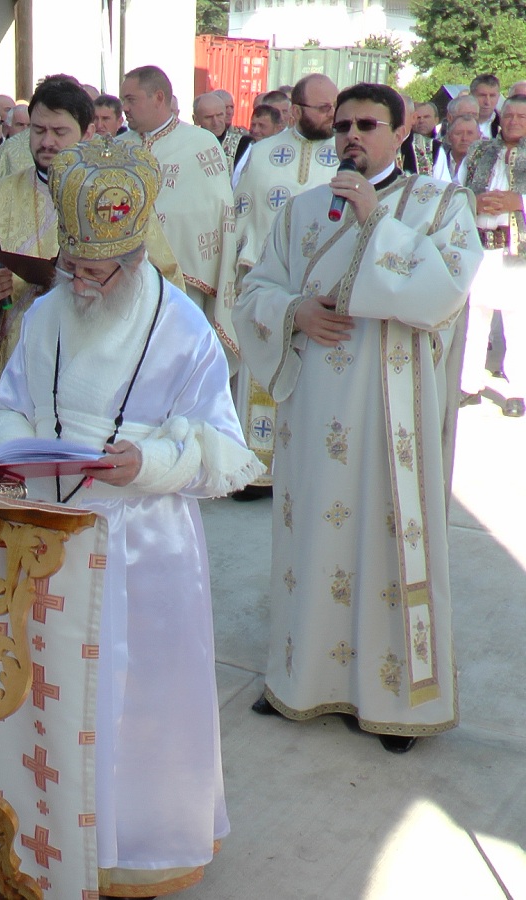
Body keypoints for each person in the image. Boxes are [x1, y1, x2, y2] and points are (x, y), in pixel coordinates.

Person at [0, 137, 259, 897]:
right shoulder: (46, 313)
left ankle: (141, 843)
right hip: (48, 527)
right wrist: (11, 448)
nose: (79, 283)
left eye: (95, 271)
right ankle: (46, 833)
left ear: (134, 260)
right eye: (71, 266)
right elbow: (8, 403)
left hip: (145, 540)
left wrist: (149, 463)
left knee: (139, 697)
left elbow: (226, 450)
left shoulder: (184, 328)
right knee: (51, 689)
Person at [234, 82, 481, 753]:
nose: (350, 136)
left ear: (402, 132)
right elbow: (255, 289)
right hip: (314, 413)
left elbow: (442, 294)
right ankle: (301, 681)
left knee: (384, 544)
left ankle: (395, 699)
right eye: (342, 125)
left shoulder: (440, 205)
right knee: (312, 543)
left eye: (367, 124)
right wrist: (292, 311)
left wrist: (376, 223)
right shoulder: (303, 210)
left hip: (391, 418)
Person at [0, 75, 184, 395]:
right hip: (18, 369)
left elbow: (163, 281)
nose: (47, 142)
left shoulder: (116, 196)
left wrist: (104, 283)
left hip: (100, 365)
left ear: (88, 132)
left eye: (59, 131)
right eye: (38, 130)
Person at [223, 74, 339, 494]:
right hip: (270, 281)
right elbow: (240, 215)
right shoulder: (261, 153)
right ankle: (257, 466)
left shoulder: (345, 154)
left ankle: (308, 467)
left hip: (324, 286)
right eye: (321, 108)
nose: (330, 116)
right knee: (263, 367)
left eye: (333, 107)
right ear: (294, 111)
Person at [118, 65, 232, 325]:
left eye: (131, 99)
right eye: (123, 100)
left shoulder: (200, 144)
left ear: (158, 97)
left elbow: (216, 213)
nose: (125, 108)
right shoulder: (119, 146)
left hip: (182, 280)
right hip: (122, 277)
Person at [459, 93, 526, 417]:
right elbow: (457, 189)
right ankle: (469, 385)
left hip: (517, 252)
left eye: (521, 117)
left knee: (518, 322)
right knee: (474, 317)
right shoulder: (479, 151)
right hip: (480, 246)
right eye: (509, 115)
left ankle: (517, 391)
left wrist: (519, 202)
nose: (513, 121)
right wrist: (474, 201)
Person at [193, 90, 251, 173]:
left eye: (220, 115)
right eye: (209, 117)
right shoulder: (188, 145)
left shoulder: (243, 144)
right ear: (196, 120)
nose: (216, 122)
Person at [432, 113, 479, 184]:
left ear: (479, 136)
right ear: (449, 137)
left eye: (470, 133)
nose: (464, 138)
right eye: (458, 133)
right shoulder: (438, 160)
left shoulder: (484, 165)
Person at [471, 73, 501, 139]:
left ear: (498, 97)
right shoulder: (456, 123)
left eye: (492, 96)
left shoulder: (504, 126)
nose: (487, 102)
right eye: (482, 95)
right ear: (471, 96)